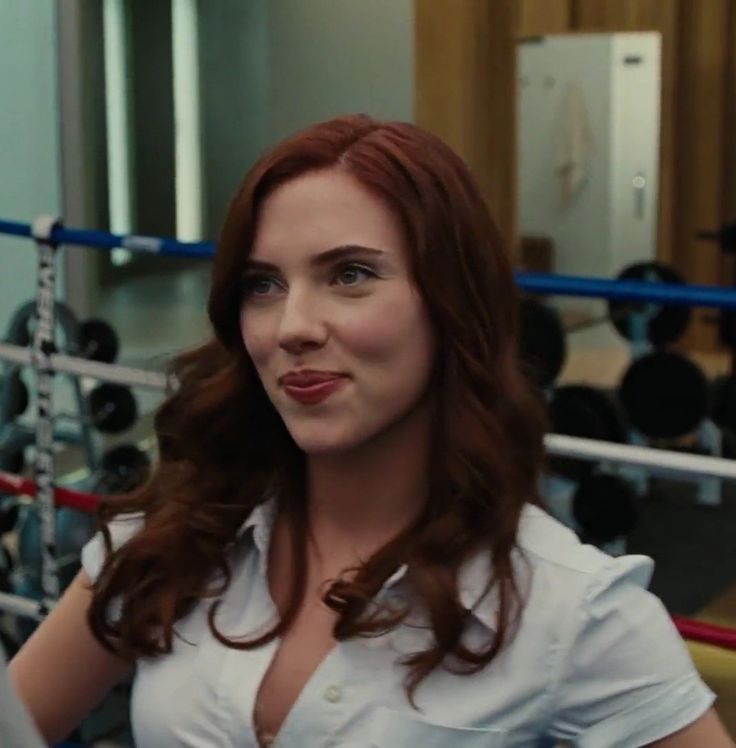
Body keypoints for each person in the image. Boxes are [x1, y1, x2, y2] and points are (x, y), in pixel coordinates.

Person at [7, 114, 734, 747]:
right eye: (263, 285)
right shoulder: (173, 539)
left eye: (350, 274)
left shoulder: (572, 609)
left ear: (452, 302)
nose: (292, 327)